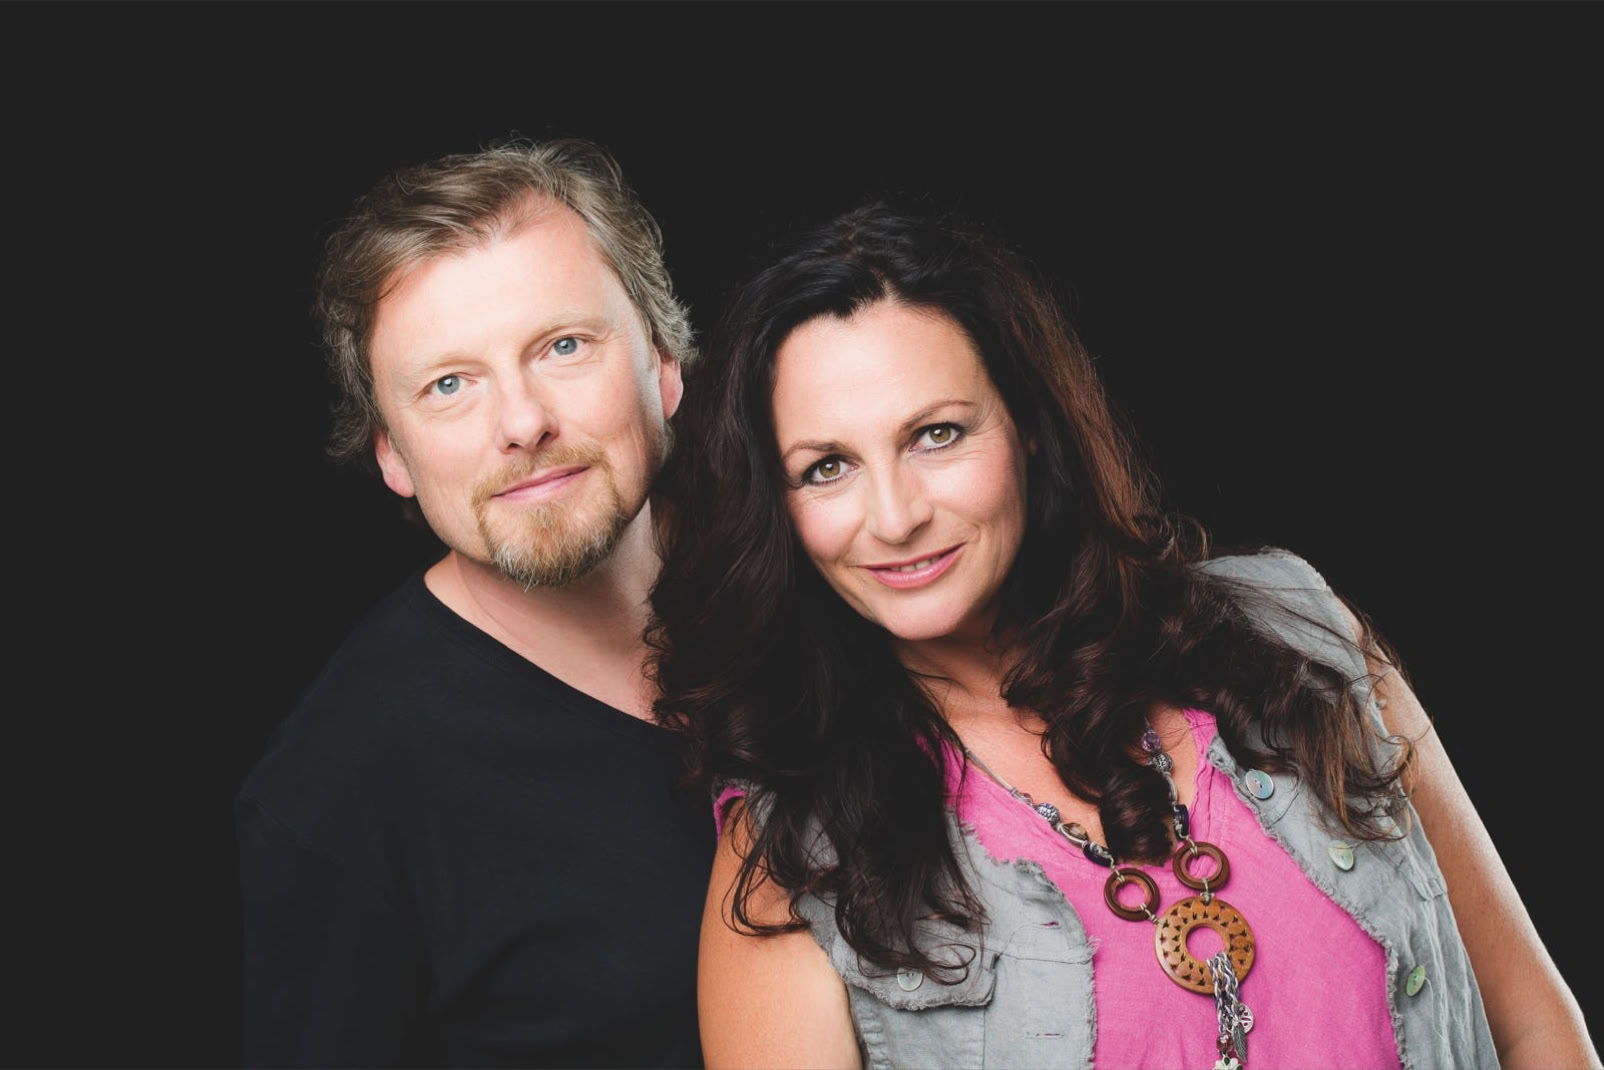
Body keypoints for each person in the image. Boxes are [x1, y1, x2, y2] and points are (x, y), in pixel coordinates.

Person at [649, 205, 1597, 1069]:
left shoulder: (1298, 631)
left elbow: (1535, 1027)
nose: (895, 517)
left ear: (1027, 426)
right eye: (826, 467)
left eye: (936, 434)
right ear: (777, 506)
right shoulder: (794, 851)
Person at [237, 140, 712, 1066]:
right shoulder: (335, 796)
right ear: (391, 452)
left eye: (564, 346)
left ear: (664, 363)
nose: (523, 423)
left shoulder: (829, 587)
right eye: (449, 385)